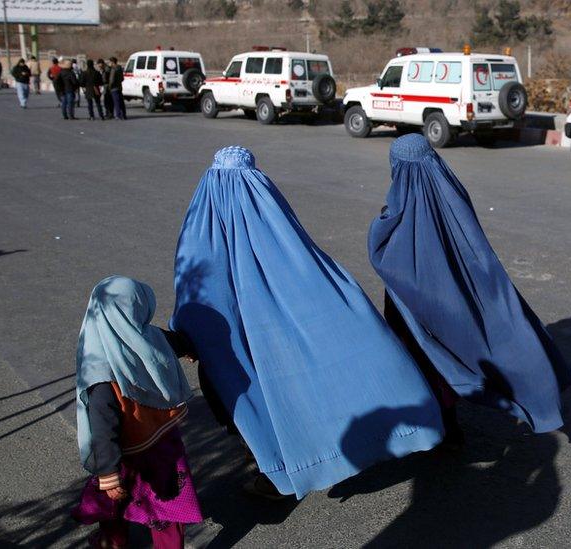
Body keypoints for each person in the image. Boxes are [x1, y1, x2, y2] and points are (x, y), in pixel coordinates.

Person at [171, 146, 443, 499]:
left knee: (251, 397)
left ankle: (277, 471)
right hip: (270, 334)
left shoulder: (201, 224)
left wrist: (188, 338)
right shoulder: (265, 208)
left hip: (230, 342)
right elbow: (303, 265)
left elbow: (194, 289)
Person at [368, 134, 571, 445]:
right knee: (459, 350)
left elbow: (383, 251)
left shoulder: (397, 208)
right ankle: (451, 425)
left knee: (423, 360)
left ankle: (435, 431)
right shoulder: (450, 191)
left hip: (412, 300)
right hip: (453, 294)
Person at [71, 276, 202, 549]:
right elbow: (174, 342)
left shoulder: (97, 366)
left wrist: (106, 471)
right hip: (162, 443)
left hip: (123, 453)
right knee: (166, 505)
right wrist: (190, 347)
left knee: (113, 503)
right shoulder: (151, 338)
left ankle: (113, 541)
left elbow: (101, 424)